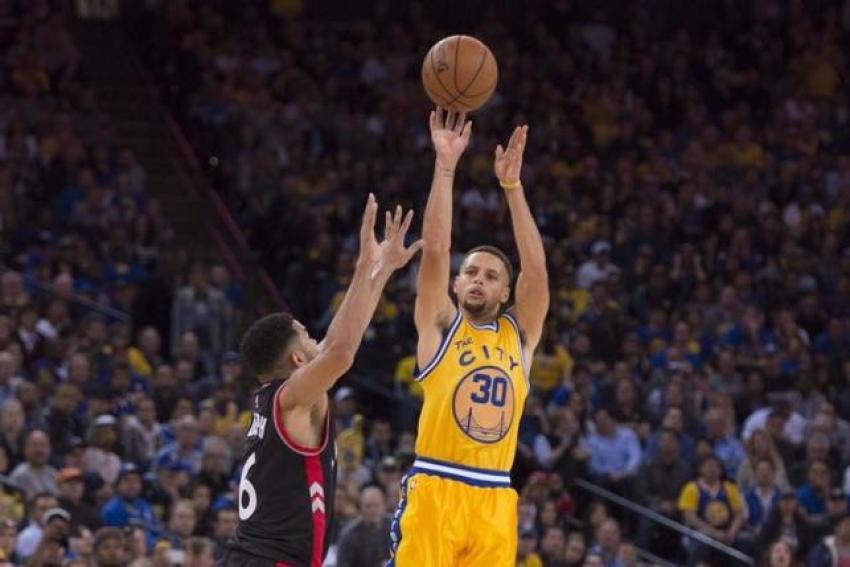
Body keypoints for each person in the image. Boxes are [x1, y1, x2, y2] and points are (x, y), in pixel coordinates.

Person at [219, 195, 422, 567]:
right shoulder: (292, 397)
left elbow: (338, 341)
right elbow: (340, 353)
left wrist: (384, 271)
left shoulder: (276, 399)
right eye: (307, 336)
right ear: (297, 359)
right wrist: (363, 266)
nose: (317, 339)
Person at [388, 108, 549, 566]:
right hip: (436, 485)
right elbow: (437, 249)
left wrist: (513, 189)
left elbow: (535, 269)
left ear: (504, 292)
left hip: (495, 496)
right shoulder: (440, 324)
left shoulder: (519, 335)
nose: (478, 280)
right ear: (456, 286)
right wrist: (445, 165)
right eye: (471, 273)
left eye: (491, 276)